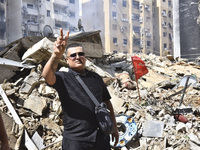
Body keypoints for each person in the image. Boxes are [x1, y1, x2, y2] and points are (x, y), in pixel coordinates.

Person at [42, 28, 119, 150]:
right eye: (73, 55)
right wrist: (56, 55)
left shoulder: (96, 77)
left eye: (81, 54)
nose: (77, 57)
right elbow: (47, 76)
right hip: (76, 141)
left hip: (101, 138)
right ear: (67, 60)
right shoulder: (63, 78)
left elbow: (107, 103)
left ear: (85, 57)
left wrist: (113, 127)